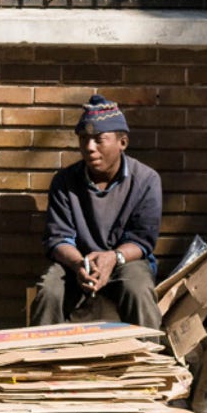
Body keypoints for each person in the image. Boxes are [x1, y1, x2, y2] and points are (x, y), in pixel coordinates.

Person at [31, 94, 162, 329]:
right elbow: (58, 238)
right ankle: (43, 350)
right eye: (84, 139)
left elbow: (142, 240)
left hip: (124, 261)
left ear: (122, 142)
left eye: (99, 140)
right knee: (49, 290)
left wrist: (113, 257)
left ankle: (148, 351)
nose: (89, 147)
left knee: (139, 289)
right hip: (77, 263)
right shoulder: (64, 181)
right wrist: (78, 264)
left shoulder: (146, 180)